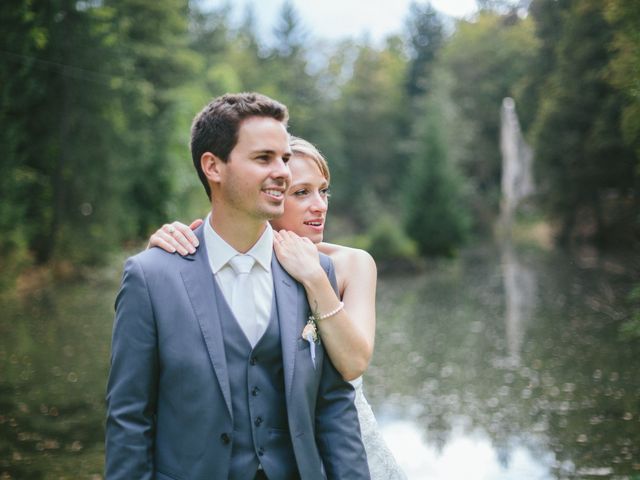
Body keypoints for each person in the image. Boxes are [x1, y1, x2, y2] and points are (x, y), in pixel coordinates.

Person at [105, 93, 370, 480]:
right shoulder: (152, 276)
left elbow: (334, 409)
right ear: (213, 166)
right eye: (264, 158)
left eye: (283, 158)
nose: (282, 171)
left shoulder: (316, 271)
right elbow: (129, 419)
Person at [148, 137, 407, 479]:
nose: (319, 205)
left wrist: (314, 278)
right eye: (302, 193)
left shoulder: (351, 264)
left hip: (347, 453)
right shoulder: (226, 263)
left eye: (323, 191)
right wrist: (164, 251)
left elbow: (354, 363)